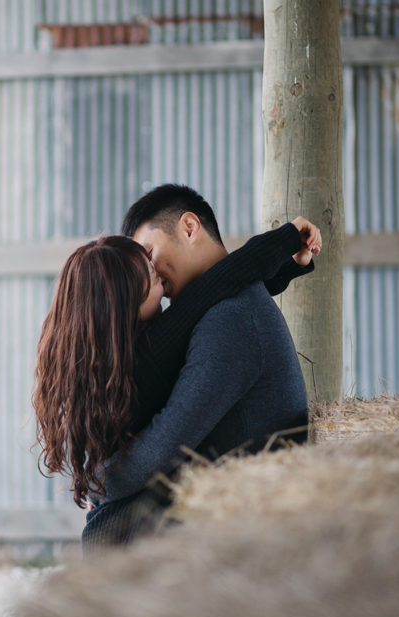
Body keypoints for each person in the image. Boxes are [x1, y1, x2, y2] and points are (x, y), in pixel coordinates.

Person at [33, 184, 321, 552]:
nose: (150, 271)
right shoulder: (166, 338)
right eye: (140, 270)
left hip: (248, 539)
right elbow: (220, 285)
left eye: (149, 254)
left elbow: (160, 448)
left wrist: (95, 483)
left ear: (189, 228)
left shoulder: (229, 319)